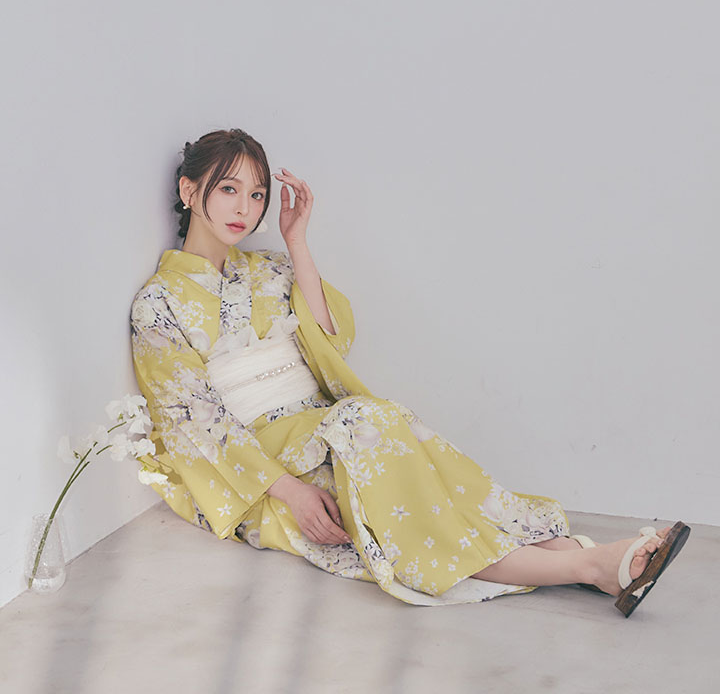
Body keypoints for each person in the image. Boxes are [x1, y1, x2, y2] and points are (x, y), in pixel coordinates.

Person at [129, 128, 690, 615]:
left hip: (323, 427)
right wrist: (291, 493)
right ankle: (590, 565)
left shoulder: (271, 270)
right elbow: (192, 421)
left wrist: (297, 241)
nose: (245, 208)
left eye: (256, 194)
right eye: (228, 189)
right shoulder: (158, 303)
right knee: (392, 491)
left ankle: (590, 560)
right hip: (260, 461)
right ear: (189, 191)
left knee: (413, 476)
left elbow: (332, 339)